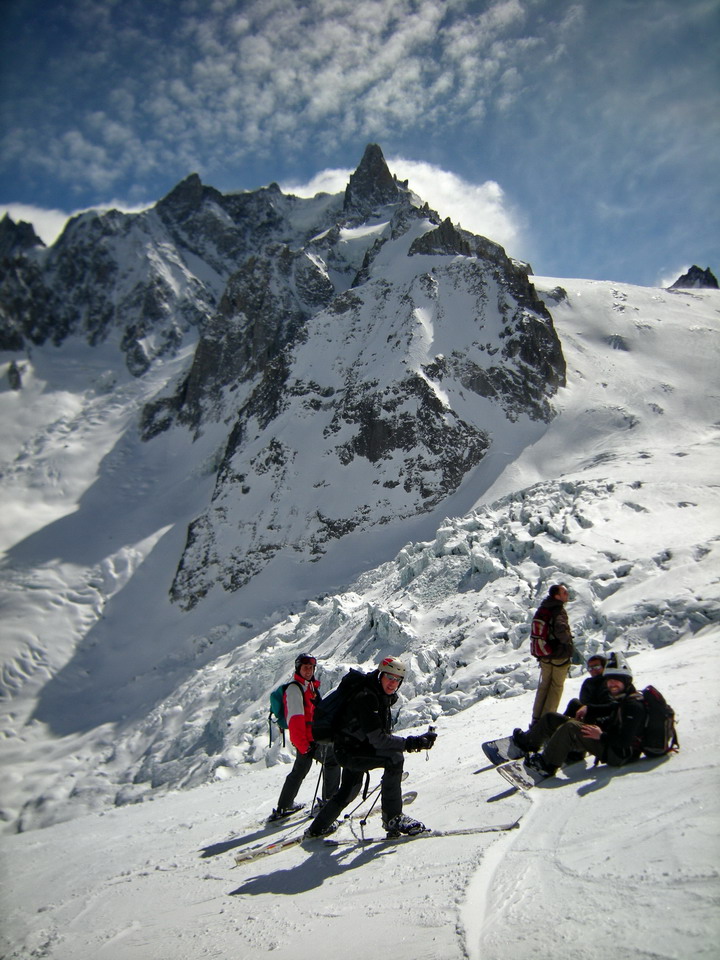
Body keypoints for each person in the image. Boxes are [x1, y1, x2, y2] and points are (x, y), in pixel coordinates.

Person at [303, 656, 436, 838]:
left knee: (349, 789)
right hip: (353, 751)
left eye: (397, 680)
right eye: (389, 677)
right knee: (394, 758)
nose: (392, 683)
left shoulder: (376, 693)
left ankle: (317, 828)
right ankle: (393, 818)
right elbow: (379, 740)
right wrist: (413, 743)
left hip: (351, 749)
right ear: (380, 675)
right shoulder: (367, 698)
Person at [512, 652, 647, 780]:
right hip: (608, 739)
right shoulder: (622, 697)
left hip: (617, 753)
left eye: (616, 681)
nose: (611, 685)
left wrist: (600, 735)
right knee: (552, 717)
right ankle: (530, 743)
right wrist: (589, 709)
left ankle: (546, 765)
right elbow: (610, 709)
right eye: (609, 681)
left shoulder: (632, 705)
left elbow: (624, 741)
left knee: (571, 727)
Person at [270, 653, 341, 820]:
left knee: (299, 770)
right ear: (298, 669)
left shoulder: (309, 687)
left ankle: (284, 806)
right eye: (305, 667)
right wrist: (304, 746)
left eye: (311, 667)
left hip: (309, 739)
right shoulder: (295, 690)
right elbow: (295, 721)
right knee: (332, 761)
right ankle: (328, 802)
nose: (308, 670)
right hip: (309, 740)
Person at [530, 583, 574, 724]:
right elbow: (561, 629)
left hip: (544, 655)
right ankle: (546, 723)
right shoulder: (558, 610)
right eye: (564, 592)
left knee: (544, 687)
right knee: (556, 688)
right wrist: (568, 643)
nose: (567, 594)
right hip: (559, 655)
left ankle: (536, 719)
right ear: (557, 596)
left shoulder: (543, 608)